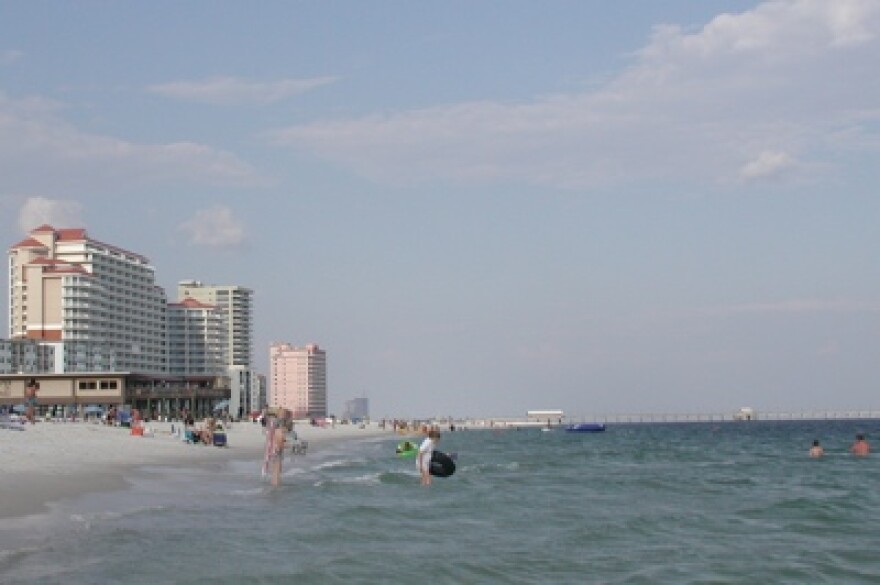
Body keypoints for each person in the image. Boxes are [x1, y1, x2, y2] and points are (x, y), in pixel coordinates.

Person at [269, 409, 290, 486]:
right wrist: (288, 445)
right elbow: (280, 443)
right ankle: (275, 485)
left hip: (276, 450)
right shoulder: (279, 431)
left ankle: (276, 483)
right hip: (277, 451)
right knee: (276, 469)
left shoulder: (278, 430)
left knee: (277, 469)